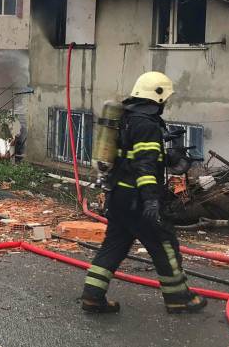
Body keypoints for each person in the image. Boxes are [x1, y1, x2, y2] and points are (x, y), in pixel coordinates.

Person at [81, 72, 207, 314]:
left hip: (118, 197)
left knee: (114, 245)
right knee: (164, 244)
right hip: (138, 200)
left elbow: (131, 155)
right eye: (165, 98)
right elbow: (145, 166)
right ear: (157, 97)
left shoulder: (126, 118)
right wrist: (151, 200)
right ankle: (179, 297)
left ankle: (92, 296)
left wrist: (166, 156)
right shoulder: (146, 125)